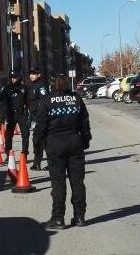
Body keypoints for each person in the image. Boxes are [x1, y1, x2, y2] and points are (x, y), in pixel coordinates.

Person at [34, 74, 91, 229]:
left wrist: (38, 146)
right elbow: (84, 122)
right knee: (77, 182)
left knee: (58, 183)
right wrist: (85, 140)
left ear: (54, 84)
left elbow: (40, 126)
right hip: (74, 142)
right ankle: (80, 217)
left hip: (55, 145)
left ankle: (58, 218)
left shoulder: (47, 100)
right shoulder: (76, 99)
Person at [26, 68, 48, 170]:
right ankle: (37, 163)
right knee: (37, 141)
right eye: (30, 74)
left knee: (44, 141)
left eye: (34, 74)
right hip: (34, 117)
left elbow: (45, 101)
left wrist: (41, 116)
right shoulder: (30, 86)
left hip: (42, 117)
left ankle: (50, 162)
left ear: (38, 75)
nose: (31, 76)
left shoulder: (42, 86)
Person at [3, 70, 29, 157]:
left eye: (15, 77)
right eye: (12, 78)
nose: (13, 79)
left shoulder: (24, 88)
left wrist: (28, 113)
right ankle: (8, 154)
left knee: (25, 134)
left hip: (21, 113)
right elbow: (2, 101)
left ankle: (24, 153)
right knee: (8, 135)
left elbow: (28, 101)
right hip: (10, 114)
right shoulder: (7, 88)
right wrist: (3, 115)